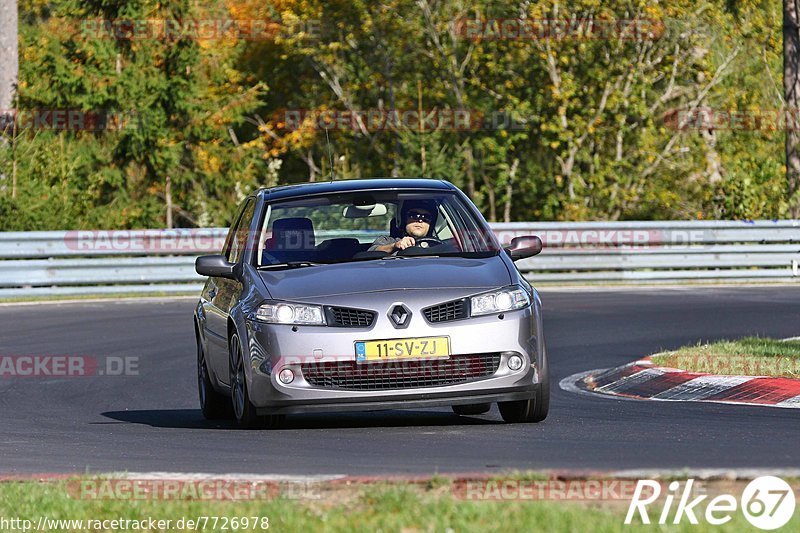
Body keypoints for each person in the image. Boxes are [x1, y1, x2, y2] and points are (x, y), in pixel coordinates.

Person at [369, 199, 438, 253]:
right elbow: (372, 252)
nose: (420, 220)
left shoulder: (437, 246)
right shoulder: (387, 241)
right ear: (403, 219)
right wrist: (395, 246)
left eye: (426, 217)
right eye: (414, 215)